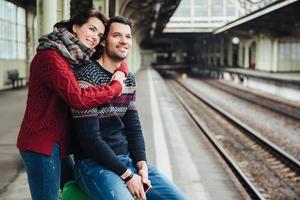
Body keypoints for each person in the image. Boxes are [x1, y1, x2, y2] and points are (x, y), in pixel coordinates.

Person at [71, 16, 188, 200]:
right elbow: (90, 140)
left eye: (127, 36)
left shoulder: (128, 79)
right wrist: (128, 176)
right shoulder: (85, 77)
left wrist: (142, 165)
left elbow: (133, 127)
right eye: (117, 35)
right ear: (103, 41)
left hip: (127, 160)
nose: (124, 40)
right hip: (92, 164)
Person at [17, 9, 128, 200]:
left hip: (58, 142)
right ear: (76, 27)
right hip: (41, 142)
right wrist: (114, 88)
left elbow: (115, 56)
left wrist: (123, 70)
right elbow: (78, 98)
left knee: (72, 193)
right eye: (92, 29)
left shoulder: (77, 55)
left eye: (99, 34)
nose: (95, 37)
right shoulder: (51, 56)